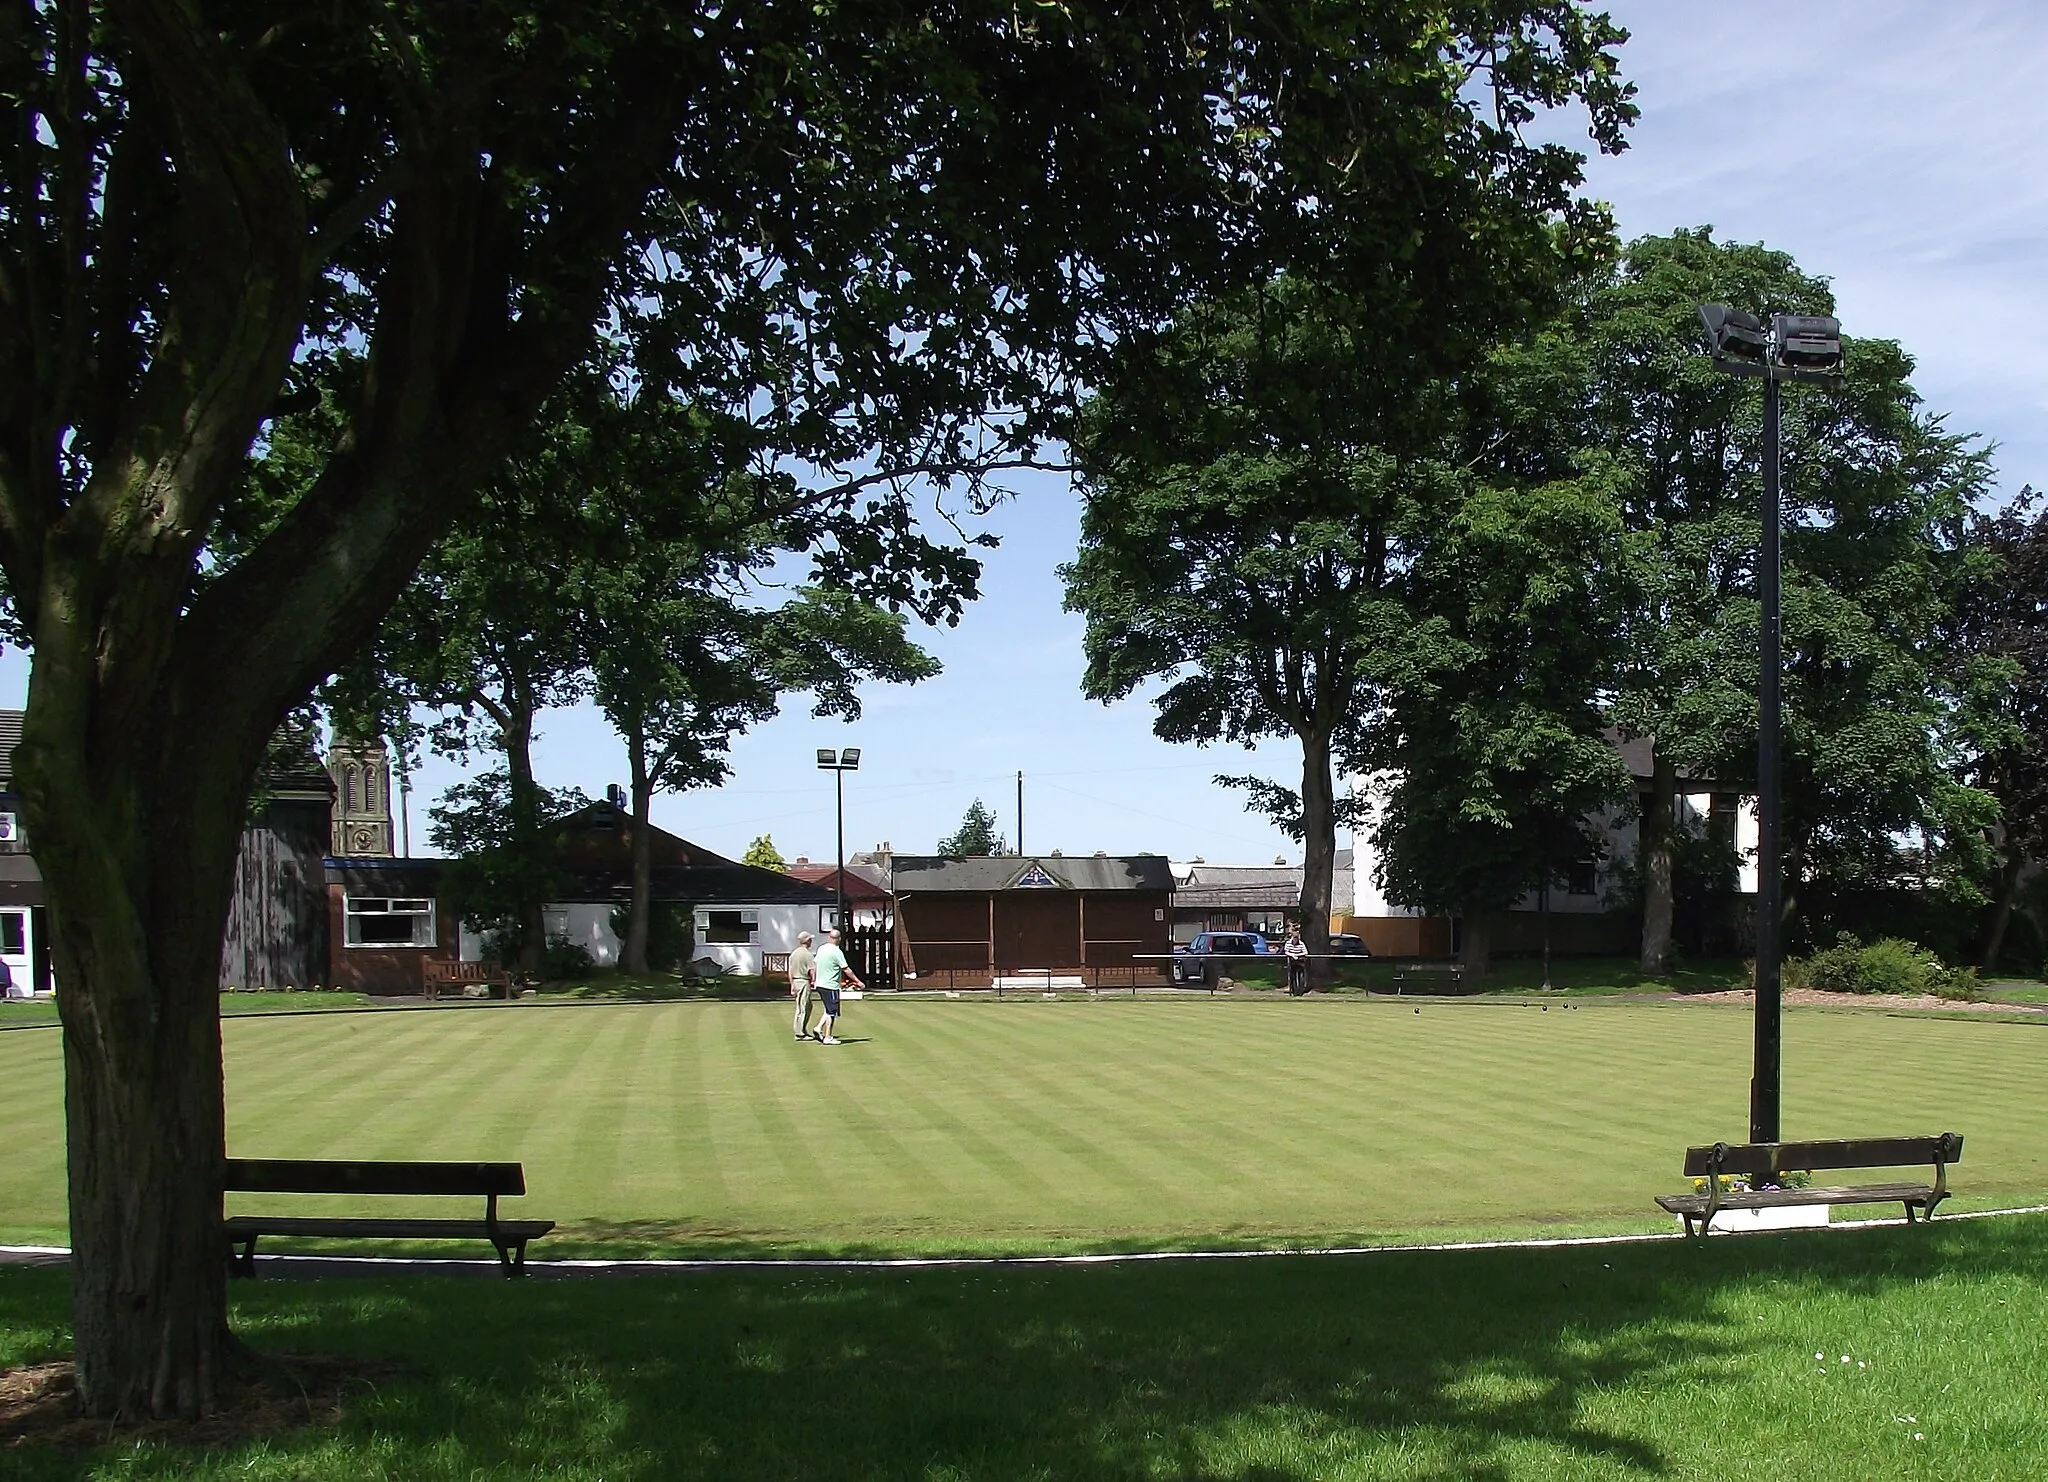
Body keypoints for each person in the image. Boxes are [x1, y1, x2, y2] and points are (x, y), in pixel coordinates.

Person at [811, 926, 865, 1045]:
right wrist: (858, 981)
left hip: (820, 984)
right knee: (832, 1012)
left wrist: (814, 980)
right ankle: (828, 1037)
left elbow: (814, 965)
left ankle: (818, 1028)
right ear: (839, 939)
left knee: (828, 1008)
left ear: (829, 937)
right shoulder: (837, 951)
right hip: (831, 986)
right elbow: (846, 969)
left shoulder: (821, 948)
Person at [788, 931, 819, 1041]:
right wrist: (814, 981)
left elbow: (790, 971)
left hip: (796, 981)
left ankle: (802, 1029)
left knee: (808, 1006)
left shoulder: (794, 953)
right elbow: (812, 969)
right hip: (803, 981)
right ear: (807, 940)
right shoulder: (807, 954)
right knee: (803, 1007)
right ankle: (799, 1033)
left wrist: (792, 985)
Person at [1283, 924, 1310, 996]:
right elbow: (1286, 951)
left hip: (1300, 961)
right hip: (1292, 961)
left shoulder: (1301, 943)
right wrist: (1292, 955)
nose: (1295, 939)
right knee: (1292, 976)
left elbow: (1305, 952)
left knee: (1301, 977)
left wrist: (1297, 955)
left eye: (1297, 938)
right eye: (1294, 938)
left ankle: (1300, 991)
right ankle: (1294, 991)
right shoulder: (1288, 943)